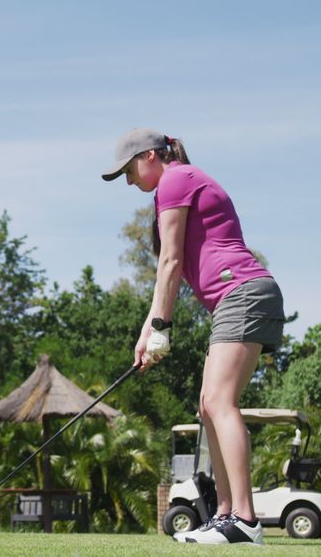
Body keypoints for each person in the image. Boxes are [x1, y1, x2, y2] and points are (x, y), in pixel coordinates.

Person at [101, 128, 285, 545]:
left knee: (220, 402)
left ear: (150, 155)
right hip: (235, 300)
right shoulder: (174, 184)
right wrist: (148, 331)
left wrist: (162, 329)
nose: (129, 181)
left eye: (128, 170)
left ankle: (245, 519)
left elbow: (170, 261)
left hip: (243, 292)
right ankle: (225, 514)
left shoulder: (175, 179)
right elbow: (170, 272)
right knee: (207, 407)